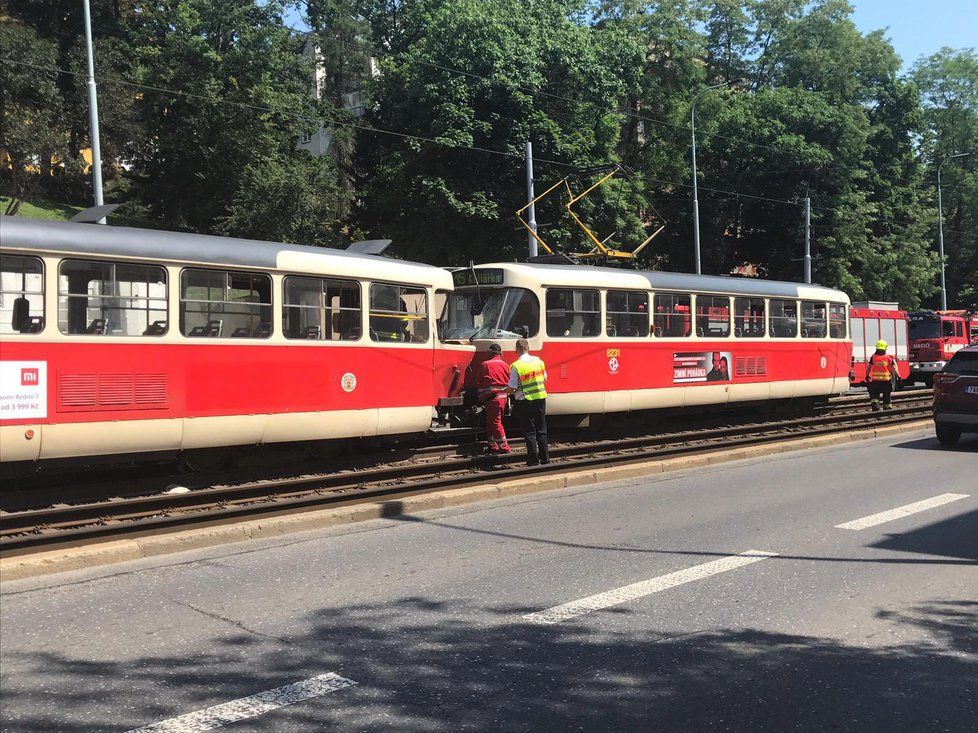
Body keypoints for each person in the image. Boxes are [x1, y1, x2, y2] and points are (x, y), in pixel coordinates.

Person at [506, 338, 549, 466]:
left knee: (530, 431)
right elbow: (544, 379)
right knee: (542, 429)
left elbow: (512, 387)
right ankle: (545, 459)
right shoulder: (539, 361)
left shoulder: (516, 366)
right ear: (528, 348)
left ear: (517, 350)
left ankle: (533, 460)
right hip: (541, 398)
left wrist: (506, 390)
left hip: (525, 401)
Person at [478, 343, 510, 454]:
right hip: (503, 397)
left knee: (495, 422)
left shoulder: (485, 365)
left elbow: (480, 381)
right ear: (500, 353)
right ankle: (493, 445)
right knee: (492, 421)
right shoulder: (506, 365)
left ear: (489, 353)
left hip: (491, 398)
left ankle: (504, 446)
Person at [866, 339, 897, 411]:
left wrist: (867, 375)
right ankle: (887, 408)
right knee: (887, 395)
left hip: (876, 381)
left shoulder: (873, 357)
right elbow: (894, 368)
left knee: (874, 394)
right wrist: (898, 376)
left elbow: (869, 367)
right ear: (885, 347)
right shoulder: (889, 358)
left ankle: (875, 406)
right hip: (886, 381)